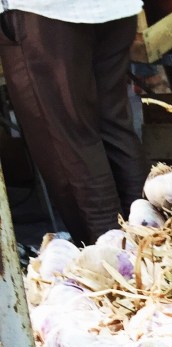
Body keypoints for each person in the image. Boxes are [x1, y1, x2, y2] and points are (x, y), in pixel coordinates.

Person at [0, 1, 146, 244]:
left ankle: (113, 262)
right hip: (114, 10)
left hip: (45, 14)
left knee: (68, 144)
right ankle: (156, 246)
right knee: (113, 128)